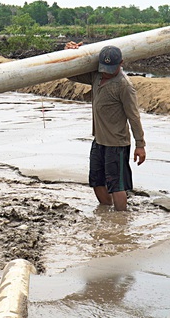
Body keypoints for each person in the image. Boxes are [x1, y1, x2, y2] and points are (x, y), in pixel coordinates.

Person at [64, 42, 146, 211]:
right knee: (96, 180)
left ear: (121, 64)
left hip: (117, 144)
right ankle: (107, 213)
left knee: (117, 185)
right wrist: (69, 54)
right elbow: (70, 75)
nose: (106, 73)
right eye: (104, 68)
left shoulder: (124, 86)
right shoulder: (97, 76)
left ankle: (121, 219)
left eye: (110, 69)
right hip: (99, 141)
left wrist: (140, 145)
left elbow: (134, 117)